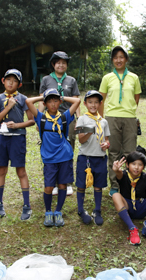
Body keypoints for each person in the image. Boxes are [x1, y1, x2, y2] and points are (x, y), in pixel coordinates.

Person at [26, 88, 81, 227]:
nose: (53, 104)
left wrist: (63, 97)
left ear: (59, 102)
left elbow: (77, 101)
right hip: (49, 158)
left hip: (64, 156)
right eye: (49, 101)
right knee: (49, 187)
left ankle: (58, 211)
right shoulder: (41, 117)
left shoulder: (64, 117)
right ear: (45, 103)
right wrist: (41, 98)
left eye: (55, 101)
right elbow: (28, 101)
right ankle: (48, 211)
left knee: (62, 185)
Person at [0, 69, 35, 220]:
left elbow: (31, 120)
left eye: (14, 80)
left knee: (21, 171)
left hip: (17, 138)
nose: (11, 82)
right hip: (2, 138)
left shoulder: (23, 99)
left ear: (19, 84)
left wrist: (17, 125)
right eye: (8, 79)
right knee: (1, 171)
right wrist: (8, 106)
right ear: (3, 81)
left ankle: (27, 206)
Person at [98, 45, 142, 195]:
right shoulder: (107, 78)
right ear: (112, 60)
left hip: (129, 118)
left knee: (130, 152)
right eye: (115, 57)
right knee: (114, 152)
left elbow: (136, 98)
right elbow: (101, 99)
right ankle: (115, 185)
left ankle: (130, 183)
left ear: (126, 59)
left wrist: (128, 110)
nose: (118, 60)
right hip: (111, 118)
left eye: (121, 57)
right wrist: (102, 119)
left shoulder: (134, 78)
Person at [39, 51, 80, 195]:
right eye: (58, 62)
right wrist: (39, 119)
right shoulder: (46, 80)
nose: (61, 65)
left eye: (64, 62)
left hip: (67, 118)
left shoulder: (71, 80)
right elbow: (41, 100)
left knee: (68, 147)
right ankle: (55, 182)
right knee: (52, 148)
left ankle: (67, 182)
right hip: (50, 119)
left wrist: (78, 119)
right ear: (53, 64)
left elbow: (76, 99)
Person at [75, 90, 111, 225]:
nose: (93, 105)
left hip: (100, 158)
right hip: (85, 158)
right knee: (81, 185)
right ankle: (80, 209)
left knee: (98, 185)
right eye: (90, 102)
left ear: (100, 104)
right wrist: (89, 131)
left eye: (96, 102)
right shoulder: (82, 119)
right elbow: (80, 140)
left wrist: (106, 145)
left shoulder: (104, 121)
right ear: (85, 103)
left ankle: (97, 210)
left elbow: (107, 140)